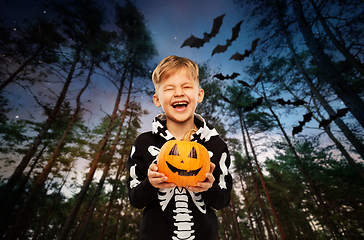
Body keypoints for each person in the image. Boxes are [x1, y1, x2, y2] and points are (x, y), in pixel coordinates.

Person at [126, 55, 232, 240]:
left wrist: (209, 187)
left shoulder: (216, 145)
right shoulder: (143, 143)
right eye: (169, 88)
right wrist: (149, 184)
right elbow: (135, 199)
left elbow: (223, 200)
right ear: (157, 99)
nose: (178, 93)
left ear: (199, 95)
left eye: (186, 86)